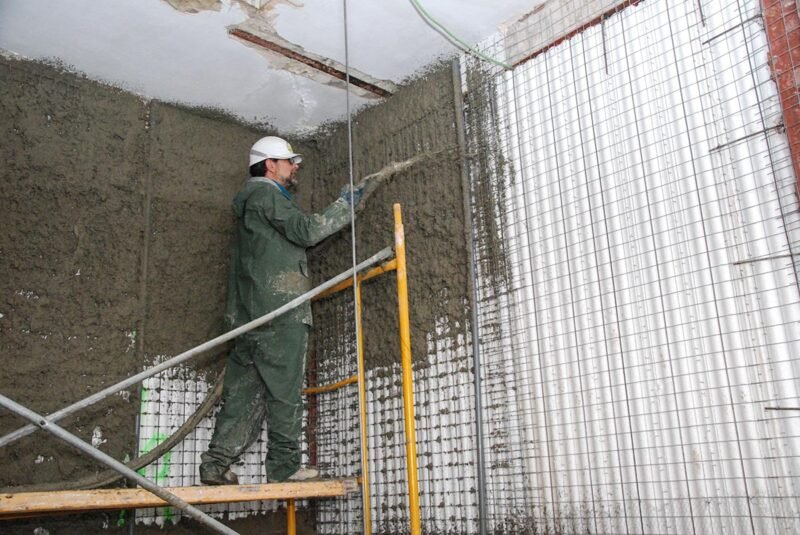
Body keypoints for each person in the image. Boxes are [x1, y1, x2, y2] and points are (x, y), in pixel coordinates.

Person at [199, 136, 363, 485]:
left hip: (248, 318)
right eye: (289, 162)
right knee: (284, 392)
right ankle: (285, 467)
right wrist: (344, 206)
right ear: (270, 165)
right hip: (280, 311)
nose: (295, 167)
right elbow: (305, 231)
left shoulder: (249, 204)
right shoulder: (266, 195)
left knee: (242, 396)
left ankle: (215, 466)